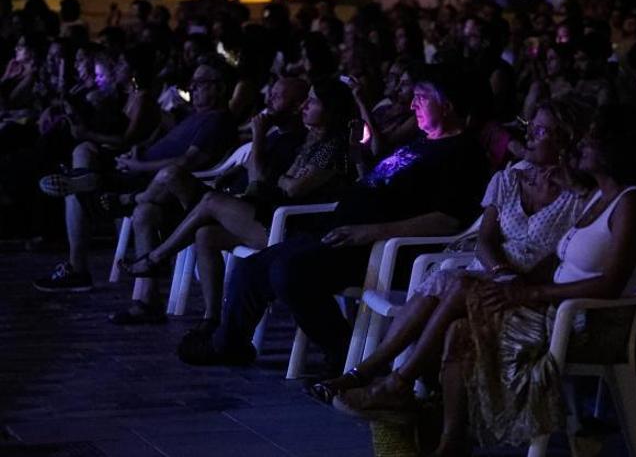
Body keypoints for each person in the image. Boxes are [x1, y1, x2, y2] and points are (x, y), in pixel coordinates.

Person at [333, 104, 636, 456]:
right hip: (551, 309)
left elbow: (610, 284)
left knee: (460, 286)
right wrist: (513, 288)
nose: (581, 145)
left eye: (591, 140)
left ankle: (396, 384)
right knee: (459, 325)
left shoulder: (633, 204)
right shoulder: (598, 197)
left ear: (617, 149)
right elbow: (554, 258)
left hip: (583, 323)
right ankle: (450, 441)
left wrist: (530, 293)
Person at [177, 67, 490, 369]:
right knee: (252, 267)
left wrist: (370, 232)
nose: (412, 105)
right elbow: (378, 184)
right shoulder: (419, 144)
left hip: (381, 249)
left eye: (421, 97)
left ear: (447, 106)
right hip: (341, 231)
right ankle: (229, 346)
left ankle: (340, 350)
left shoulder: (462, 154)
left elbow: (448, 221)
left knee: (290, 272)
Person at [310, 95, 592, 403]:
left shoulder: (582, 195)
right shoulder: (510, 179)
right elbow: (485, 240)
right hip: (495, 272)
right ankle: (373, 375)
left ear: (565, 140)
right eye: (531, 127)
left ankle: (388, 379)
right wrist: (501, 273)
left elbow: (570, 252)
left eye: (540, 131)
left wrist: (514, 282)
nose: (529, 136)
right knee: (445, 281)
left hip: (534, 289)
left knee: (454, 283)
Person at [117, 78, 350, 331]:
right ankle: (212, 319)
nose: (306, 105)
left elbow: (287, 187)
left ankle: (156, 255)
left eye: (312, 101)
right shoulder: (312, 142)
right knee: (205, 234)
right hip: (261, 211)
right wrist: (274, 175)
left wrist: (262, 149)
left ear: (330, 109)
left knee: (201, 195)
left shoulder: (332, 146)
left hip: (293, 227)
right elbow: (278, 181)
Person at [32, 62, 235, 294]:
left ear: (220, 89)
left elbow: (187, 162)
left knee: (74, 192)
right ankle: (85, 179)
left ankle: (78, 266)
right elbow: (162, 145)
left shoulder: (217, 120)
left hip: (149, 181)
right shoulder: (193, 117)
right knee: (84, 150)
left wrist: (138, 164)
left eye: (200, 83)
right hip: (137, 168)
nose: (193, 87)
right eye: (193, 82)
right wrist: (138, 151)